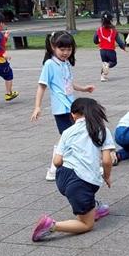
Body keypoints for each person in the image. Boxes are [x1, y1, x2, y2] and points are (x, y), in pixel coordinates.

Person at [31, 98, 115, 240]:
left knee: (85, 190)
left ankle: (92, 207)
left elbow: (56, 161)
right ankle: (51, 225)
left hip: (62, 177)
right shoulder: (102, 130)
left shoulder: (67, 132)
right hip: (80, 183)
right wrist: (107, 176)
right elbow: (107, 161)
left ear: (73, 115)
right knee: (86, 224)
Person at [32, 32, 95, 181]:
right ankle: (54, 169)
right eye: (62, 49)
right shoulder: (50, 64)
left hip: (71, 107)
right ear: (53, 47)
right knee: (68, 137)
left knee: (73, 136)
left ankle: (70, 166)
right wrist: (37, 107)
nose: (66, 53)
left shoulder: (65, 63)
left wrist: (84, 89)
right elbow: (42, 86)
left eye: (69, 49)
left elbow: (68, 83)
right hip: (61, 109)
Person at [95, 13, 127, 82]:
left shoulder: (99, 29)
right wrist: (123, 47)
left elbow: (95, 40)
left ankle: (103, 77)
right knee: (113, 62)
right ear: (111, 20)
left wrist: (98, 42)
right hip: (111, 50)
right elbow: (119, 41)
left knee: (105, 63)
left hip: (102, 51)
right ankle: (108, 66)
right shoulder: (113, 30)